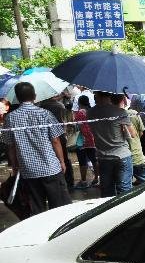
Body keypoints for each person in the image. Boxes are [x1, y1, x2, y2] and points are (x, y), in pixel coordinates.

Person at [0, 82, 72, 214]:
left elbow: (10, 146)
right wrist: (62, 161)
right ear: (34, 96)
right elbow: (55, 140)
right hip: (51, 168)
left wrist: (15, 167)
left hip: (28, 170)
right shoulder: (45, 114)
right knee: (61, 208)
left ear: (17, 97)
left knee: (36, 210)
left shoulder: (10, 118)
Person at [89, 91, 136, 198]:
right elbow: (132, 134)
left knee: (107, 192)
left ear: (97, 95)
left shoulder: (90, 113)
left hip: (103, 157)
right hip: (122, 156)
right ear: (110, 95)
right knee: (124, 192)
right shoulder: (120, 112)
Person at [39, 95, 75, 190]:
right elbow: (65, 120)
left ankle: (54, 182)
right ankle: (69, 182)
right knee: (64, 158)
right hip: (60, 135)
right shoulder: (59, 106)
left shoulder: (41, 107)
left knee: (49, 157)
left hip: (45, 137)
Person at [73, 95, 100, 188]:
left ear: (79, 103)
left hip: (82, 141)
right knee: (94, 159)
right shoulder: (92, 111)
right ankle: (97, 178)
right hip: (93, 139)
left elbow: (78, 127)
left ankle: (83, 181)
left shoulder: (80, 113)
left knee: (82, 161)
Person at [127, 104, 145, 185]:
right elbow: (138, 134)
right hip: (136, 156)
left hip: (116, 158)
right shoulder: (131, 113)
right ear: (124, 100)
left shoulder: (98, 114)